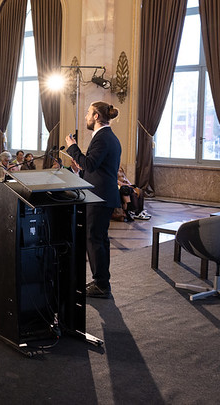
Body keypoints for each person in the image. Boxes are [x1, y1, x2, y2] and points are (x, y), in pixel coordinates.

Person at [65, 101, 122, 299]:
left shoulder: (103, 138)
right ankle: (102, 281)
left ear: (96, 116)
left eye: (89, 113)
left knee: (94, 239)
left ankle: (101, 284)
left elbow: (89, 164)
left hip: (98, 197)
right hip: (102, 195)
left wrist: (73, 148)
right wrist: (80, 164)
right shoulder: (107, 137)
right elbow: (94, 168)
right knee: (100, 239)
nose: (87, 116)